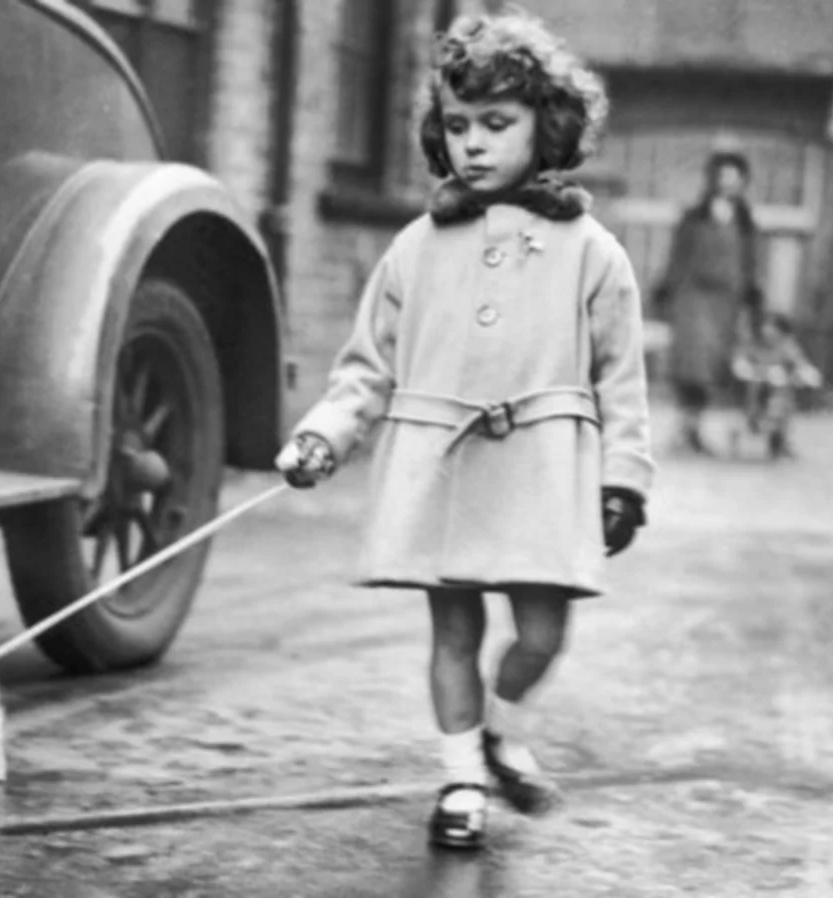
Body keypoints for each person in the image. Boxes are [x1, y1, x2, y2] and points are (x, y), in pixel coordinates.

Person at [275, 9, 654, 849]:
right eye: (456, 125)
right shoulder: (415, 247)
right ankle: (459, 779)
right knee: (453, 629)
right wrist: (323, 437)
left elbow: (621, 379)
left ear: (545, 127)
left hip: (545, 468)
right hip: (438, 465)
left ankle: (500, 726)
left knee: (542, 633)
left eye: (496, 124)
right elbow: (365, 367)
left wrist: (623, 478)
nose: (473, 144)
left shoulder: (592, 252)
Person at [653, 148, 763, 454]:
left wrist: (752, 300)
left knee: (713, 368)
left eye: (735, 177)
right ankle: (685, 430)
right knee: (690, 367)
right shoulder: (692, 217)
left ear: (743, 182)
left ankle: (694, 430)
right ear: (712, 180)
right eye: (723, 176)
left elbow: (751, 264)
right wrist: (666, 292)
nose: (728, 183)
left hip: (725, 304)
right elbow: (677, 258)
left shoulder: (746, 223)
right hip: (692, 299)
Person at [729, 308, 822, 459]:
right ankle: (755, 422)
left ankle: (778, 440)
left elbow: (800, 364)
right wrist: (754, 371)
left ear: (781, 331)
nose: (767, 330)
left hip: (778, 392)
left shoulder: (787, 346)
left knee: (782, 401)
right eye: (766, 326)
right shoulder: (754, 345)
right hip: (755, 390)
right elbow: (740, 363)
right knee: (756, 399)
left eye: (772, 327)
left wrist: (807, 373)